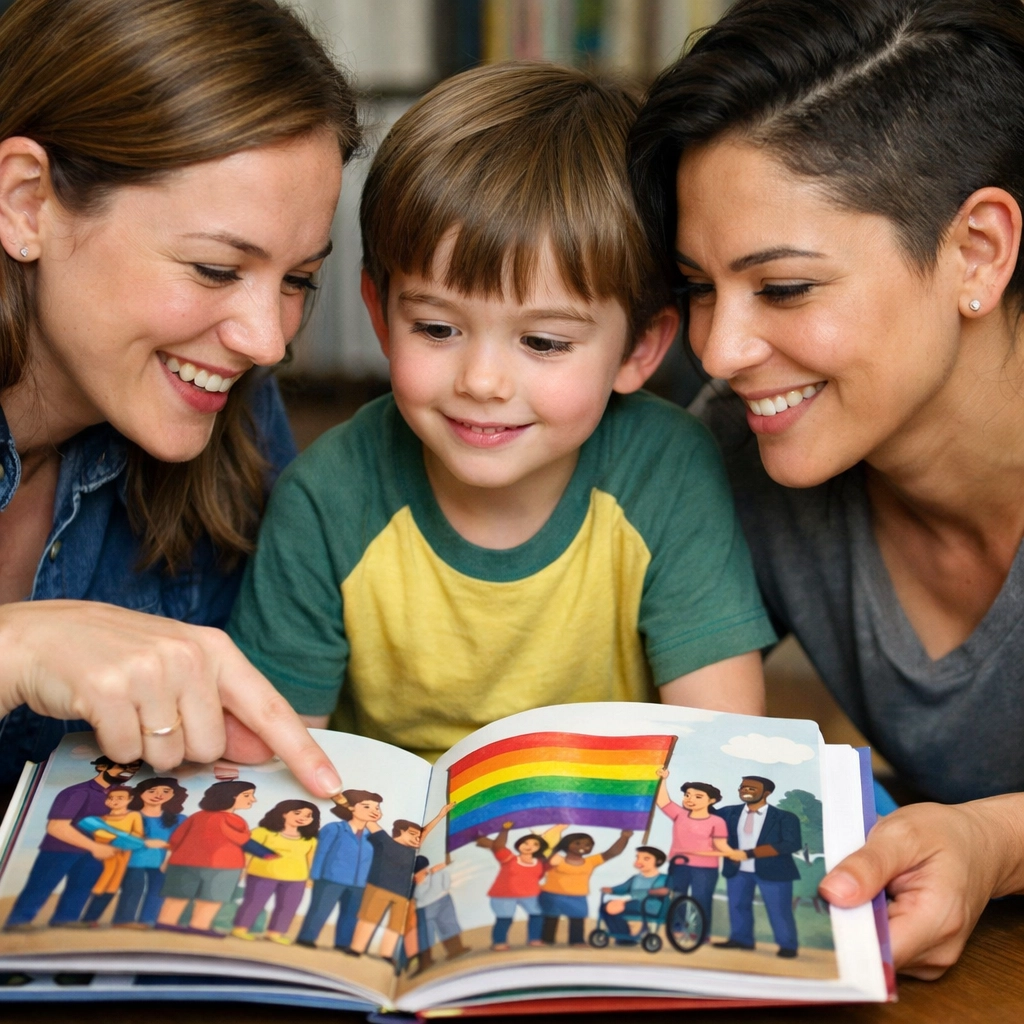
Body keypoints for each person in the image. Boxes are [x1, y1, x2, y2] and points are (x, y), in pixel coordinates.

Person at [626, 0, 1024, 977]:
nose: (720, 349)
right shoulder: (737, 450)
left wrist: (995, 843)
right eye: (698, 286)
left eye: (785, 288)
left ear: (976, 251)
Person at [228, 61, 776, 763]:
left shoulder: (666, 472)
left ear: (640, 348)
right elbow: (277, 761)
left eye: (543, 342)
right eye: (437, 328)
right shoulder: (326, 499)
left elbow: (727, 748)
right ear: (381, 315)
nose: (482, 382)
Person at [0, 0, 360, 797]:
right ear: (26, 202)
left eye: (298, 280)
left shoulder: (237, 414)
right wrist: (14, 650)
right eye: (215, 270)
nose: (266, 342)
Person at [4, 756, 140, 929]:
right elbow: (56, 827)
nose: (127, 772)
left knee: (82, 886)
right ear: (102, 767)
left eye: (132, 769)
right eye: (122, 767)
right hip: (60, 850)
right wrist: (94, 846)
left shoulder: (120, 795)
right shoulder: (78, 792)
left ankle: (66, 919)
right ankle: (18, 921)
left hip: (96, 853)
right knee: (42, 885)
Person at [348, 804, 454, 963]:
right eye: (412, 834)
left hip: (402, 893)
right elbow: (369, 822)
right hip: (379, 887)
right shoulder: (385, 841)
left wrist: (440, 815)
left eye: (418, 836)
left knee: (396, 925)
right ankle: (356, 948)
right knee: (369, 918)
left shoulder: (412, 850)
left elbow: (424, 832)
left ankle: (386, 954)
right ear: (400, 831)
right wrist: (351, 805)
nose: (417, 838)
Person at [712, 777, 802, 958]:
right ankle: (741, 939)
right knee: (737, 906)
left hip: (774, 871)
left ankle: (787, 945)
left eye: (752, 788)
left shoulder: (785, 817)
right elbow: (705, 813)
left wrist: (750, 854)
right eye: (743, 787)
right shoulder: (729, 812)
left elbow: (791, 844)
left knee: (779, 910)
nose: (745, 790)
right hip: (737, 869)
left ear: (766, 793)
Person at [157, 780, 256, 935]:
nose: (253, 799)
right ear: (230, 796)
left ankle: (166, 922)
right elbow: (244, 843)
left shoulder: (196, 816)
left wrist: (168, 860)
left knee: (179, 895)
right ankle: (199, 926)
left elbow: (176, 840)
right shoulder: (236, 821)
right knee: (212, 898)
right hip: (223, 866)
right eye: (247, 795)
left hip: (185, 863)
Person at [654, 770, 741, 940]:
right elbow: (662, 800)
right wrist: (663, 779)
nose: (690, 799)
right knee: (677, 896)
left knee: (702, 899)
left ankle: (701, 933)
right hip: (679, 865)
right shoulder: (679, 815)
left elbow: (721, 845)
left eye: (698, 796)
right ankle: (677, 928)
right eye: (687, 795)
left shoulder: (717, 822)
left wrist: (733, 854)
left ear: (711, 801)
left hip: (705, 868)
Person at [296, 789, 381, 952]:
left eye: (376, 808)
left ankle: (343, 943)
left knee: (351, 914)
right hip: (330, 879)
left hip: (359, 883)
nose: (374, 811)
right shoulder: (333, 829)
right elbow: (321, 852)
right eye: (367, 806)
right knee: (320, 909)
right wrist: (314, 875)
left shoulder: (372, 836)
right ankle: (306, 938)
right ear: (351, 807)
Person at [231, 799, 320, 944]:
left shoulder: (309, 840)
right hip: (262, 874)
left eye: (308, 816)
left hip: (296, 879)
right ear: (283, 813)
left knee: (288, 906)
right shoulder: (262, 832)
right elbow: (247, 852)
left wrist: (310, 878)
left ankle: (275, 933)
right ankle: (240, 928)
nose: (303, 818)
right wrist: (241, 869)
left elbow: (311, 860)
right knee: (254, 902)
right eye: (297, 813)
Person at [111, 777, 189, 929]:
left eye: (166, 791)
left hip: (163, 862)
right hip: (133, 861)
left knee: (158, 891)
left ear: (174, 794)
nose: (158, 795)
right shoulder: (128, 816)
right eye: (152, 791)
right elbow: (118, 840)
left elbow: (182, 843)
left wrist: (170, 860)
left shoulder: (179, 819)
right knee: (133, 889)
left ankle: (148, 920)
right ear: (140, 793)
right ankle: (123, 920)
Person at [539, 827, 632, 946]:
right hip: (553, 895)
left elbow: (612, 853)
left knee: (578, 918)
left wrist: (624, 837)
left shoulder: (591, 861)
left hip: (578, 896)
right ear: (566, 844)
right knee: (550, 918)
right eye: (577, 843)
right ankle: (547, 940)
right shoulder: (556, 859)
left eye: (588, 844)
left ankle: (577, 940)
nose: (583, 846)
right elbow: (540, 857)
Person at [475, 822, 551, 951]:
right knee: (505, 918)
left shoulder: (539, 862)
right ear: (519, 844)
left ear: (539, 848)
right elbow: (498, 846)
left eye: (535, 844)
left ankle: (534, 939)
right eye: (525, 843)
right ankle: (499, 942)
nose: (529, 846)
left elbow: (537, 877)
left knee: (537, 915)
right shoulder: (509, 858)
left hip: (530, 895)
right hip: (504, 895)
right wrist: (504, 830)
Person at [79, 785, 145, 925]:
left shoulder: (133, 815)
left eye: (120, 798)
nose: (114, 801)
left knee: (112, 884)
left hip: (123, 856)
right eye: (111, 798)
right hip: (103, 855)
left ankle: (91, 919)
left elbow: (137, 838)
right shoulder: (99, 819)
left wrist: (115, 839)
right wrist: (117, 838)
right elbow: (98, 835)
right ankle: (88, 919)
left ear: (130, 799)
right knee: (101, 882)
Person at [600, 846, 670, 945]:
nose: (639, 861)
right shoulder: (636, 878)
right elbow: (623, 888)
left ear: (658, 861)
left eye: (646, 859)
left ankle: (625, 937)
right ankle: (622, 936)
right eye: (638, 857)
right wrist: (612, 890)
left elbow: (665, 891)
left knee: (620, 906)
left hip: (653, 906)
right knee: (605, 908)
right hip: (636, 905)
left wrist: (651, 892)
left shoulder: (663, 878)